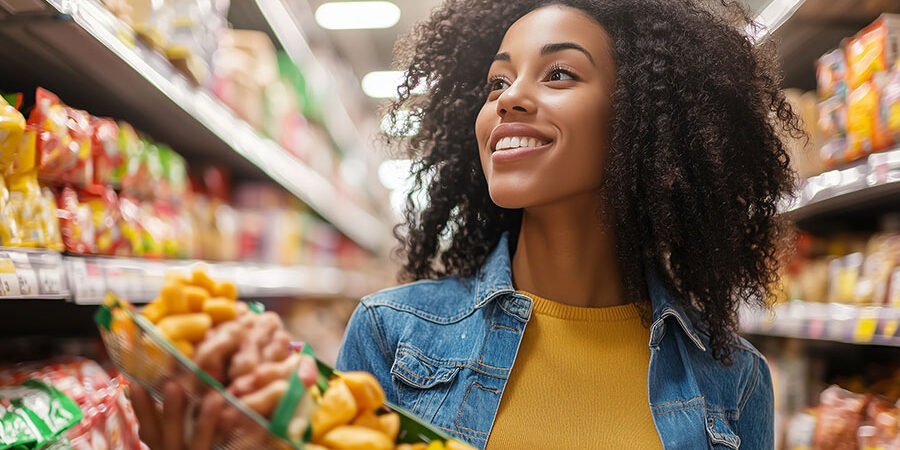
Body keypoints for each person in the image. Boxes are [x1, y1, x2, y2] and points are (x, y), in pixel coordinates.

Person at [336, 0, 799, 449]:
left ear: (641, 112)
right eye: (497, 82)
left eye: (559, 74)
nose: (509, 98)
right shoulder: (392, 335)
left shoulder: (734, 380)